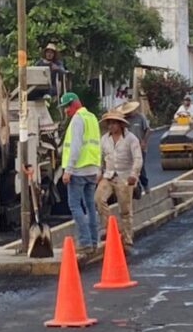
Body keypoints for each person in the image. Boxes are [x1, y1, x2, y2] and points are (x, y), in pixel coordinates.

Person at [59, 91, 101, 252]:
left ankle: (85, 242)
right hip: (91, 170)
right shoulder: (91, 117)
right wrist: (98, 168)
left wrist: (68, 170)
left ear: (75, 103)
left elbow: (75, 147)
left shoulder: (77, 119)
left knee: (75, 206)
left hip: (78, 171)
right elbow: (96, 146)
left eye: (67, 107)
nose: (66, 111)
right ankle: (93, 240)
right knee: (90, 206)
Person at [95, 111, 143, 248]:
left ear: (120, 125)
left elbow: (138, 159)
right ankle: (110, 229)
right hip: (109, 175)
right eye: (109, 123)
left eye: (114, 123)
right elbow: (100, 159)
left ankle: (128, 238)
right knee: (99, 199)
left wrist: (134, 174)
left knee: (125, 210)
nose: (111, 126)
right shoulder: (104, 139)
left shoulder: (131, 139)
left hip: (124, 176)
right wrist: (98, 173)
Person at [118, 100, 150, 192]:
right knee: (129, 168)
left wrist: (144, 141)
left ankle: (145, 184)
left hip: (140, 147)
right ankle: (136, 188)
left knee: (140, 167)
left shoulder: (140, 117)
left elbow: (148, 130)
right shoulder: (123, 120)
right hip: (127, 148)